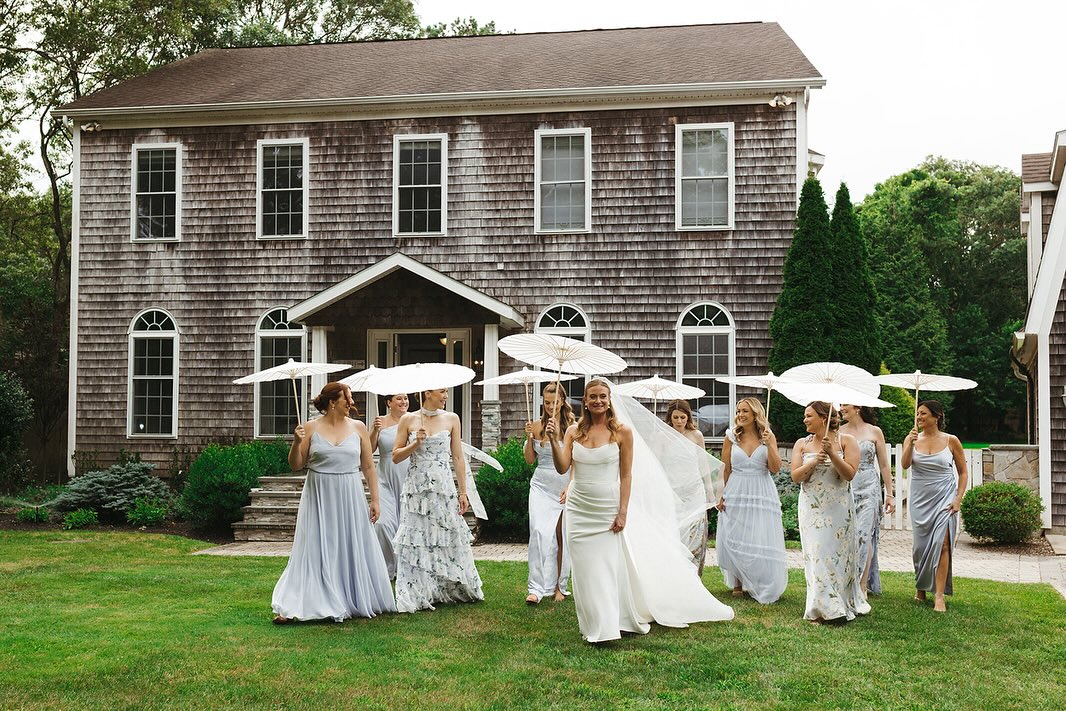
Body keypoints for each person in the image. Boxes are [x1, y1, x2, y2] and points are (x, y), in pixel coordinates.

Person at [547, 379, 733, 643]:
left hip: (607, 507)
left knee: (607, 567)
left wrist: (623, 511)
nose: (598, 401)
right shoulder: (574, 432)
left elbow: (626, 475)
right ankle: (592, 622)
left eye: (602, 396)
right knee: (585, 569)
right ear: (585, 401)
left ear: (609, 399)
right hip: (579, 507)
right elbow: (562, 467)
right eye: (592, 397)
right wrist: (555, 440)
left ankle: (607, 625)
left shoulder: (622, 432)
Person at [272, 382, 396, 623]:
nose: (351, 402)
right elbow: (296, 465)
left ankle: (349, 595)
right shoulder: (310, 427)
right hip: (319, 492)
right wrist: (297, 442)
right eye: (347, 398)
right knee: (318, 545)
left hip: (350, 493)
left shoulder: (358, 427)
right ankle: (303, 601)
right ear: (332, 402)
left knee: (348, 542)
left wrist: (376, 500)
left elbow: (369, 466)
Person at [391, 388, 484, 612]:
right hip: (417, 490)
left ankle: (448, 585)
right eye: (442, 392)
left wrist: (463, 492)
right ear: (428, 393)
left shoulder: (452, 418)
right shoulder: (408, 419)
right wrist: (415, 444)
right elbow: (395, 456)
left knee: (445, 534)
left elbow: (458, 457)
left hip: (443, 487)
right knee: (419, 537)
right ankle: (419, 590)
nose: (446, 396)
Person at [790, 401, 870, 623]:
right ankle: (822, 608)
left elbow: (849, 474)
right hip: (811, 509)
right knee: (817, 555)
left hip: (839, 509)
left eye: (809, 416)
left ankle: (839, 602)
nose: (804, 420)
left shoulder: (847, 441)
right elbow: (796, 477)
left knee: (837, 556)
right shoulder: (801, 444)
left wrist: (833, 455)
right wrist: (815, 460)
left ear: (823, 418)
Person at [715, 397, 788, 603]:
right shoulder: (731, 436)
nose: (740, 415)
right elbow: (725, 468)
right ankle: (738, 582)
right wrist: (720, 493)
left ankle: (760, 579)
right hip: (736, 489)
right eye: (738, 411)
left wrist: (770, 444)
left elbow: (774, 468)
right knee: (737, 532)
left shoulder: (768, 436)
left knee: (758, 533)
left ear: (755, 413)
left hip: (760, 489)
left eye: (745, 411)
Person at [902, 400, 968, 613]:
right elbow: (904, 465)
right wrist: (910, 444)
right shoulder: (912, 438)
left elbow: (963, 472)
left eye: (923, 414)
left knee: (943, 544)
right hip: (920, 499)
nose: (919, 417)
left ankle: (939, 595)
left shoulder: (951, 441)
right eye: (918, 414)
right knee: (920, 547)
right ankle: (921, 586)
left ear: (936, 416)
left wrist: (958, 498)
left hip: (945, 498)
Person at [523, 382, 574, 604]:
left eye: (555, 402)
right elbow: (529, 460)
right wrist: (528, 439)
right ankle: (536, 587)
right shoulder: (536, 426)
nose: (550, 406)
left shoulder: (574, 426)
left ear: (562, 402)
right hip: (541, 485)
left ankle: (559, 586)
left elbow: (577, 461)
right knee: (538, 532)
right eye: (547, 402)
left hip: (564, 485)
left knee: (562, 536)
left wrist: (570, 485)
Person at [839, 404, 895, 597]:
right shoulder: (839, 432)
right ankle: (847, 580)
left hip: (870, 487)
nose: (840, 408)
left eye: (844, 404)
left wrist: (889, 494)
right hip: (848, 487)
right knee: (848, 536)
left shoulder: (874, 431)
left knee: (865, 534)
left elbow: (885, 465)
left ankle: (862, 585)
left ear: (857, 407)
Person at [369, 393, 411, 580]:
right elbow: (369, 450)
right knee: (383, 523)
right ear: (388, 403)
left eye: (406, 398)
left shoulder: (414, 420)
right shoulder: (380, 422)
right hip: (385, 477)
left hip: (408, 475)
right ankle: (386, 567)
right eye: (399, 399)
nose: (404, 402)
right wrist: (374, 431)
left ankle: (406, 566)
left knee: (407, 522)